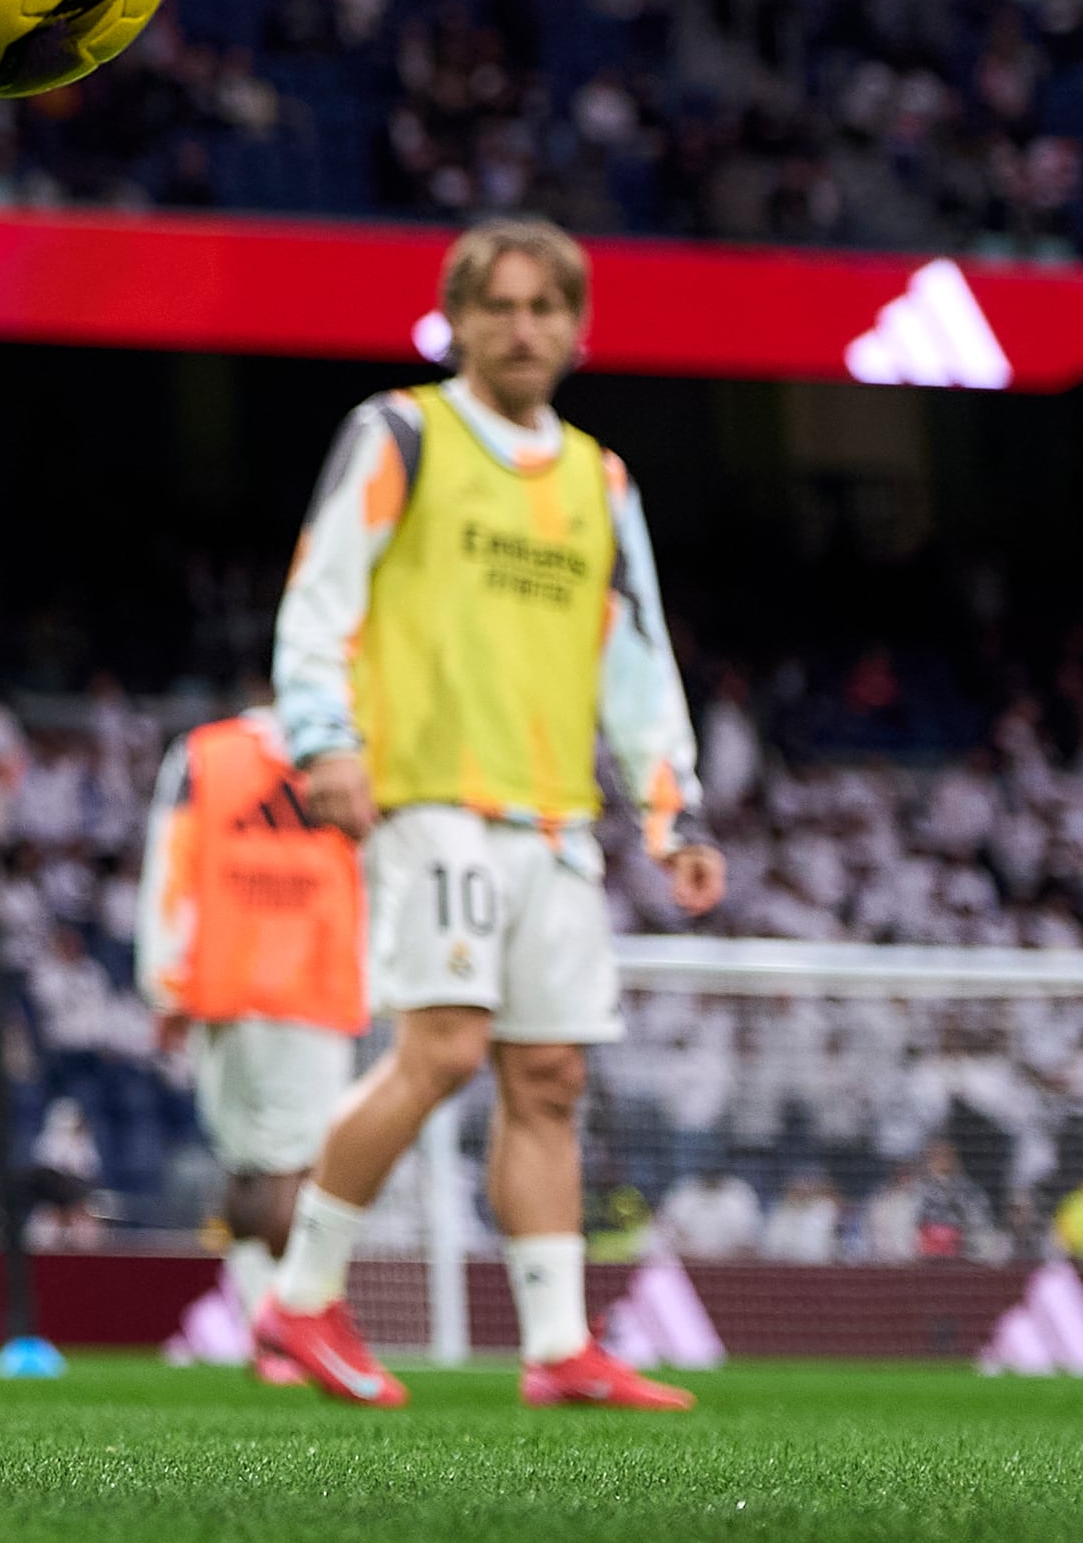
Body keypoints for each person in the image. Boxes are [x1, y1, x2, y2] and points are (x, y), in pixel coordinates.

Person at [249, 218, 725, 1412]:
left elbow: (639, 658)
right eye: (500, 307)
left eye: (546, 308)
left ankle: (559, 1346)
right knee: (446, 1047)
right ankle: (298, 1296)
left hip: (556, 819)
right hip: (432, 796)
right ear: (456, 318)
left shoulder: (599, 479)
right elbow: (319, 594)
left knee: (549, 1075)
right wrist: (324, 740)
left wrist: (673, 814)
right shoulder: (401, 431)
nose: (524, 329)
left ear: (577, 327)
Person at [134, 691, 366, 1369]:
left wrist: (164, 978)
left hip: (221, 984)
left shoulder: (205, 753)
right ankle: (290, 1327)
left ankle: (258, 1317)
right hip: (311, 987)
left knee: (244, 1161)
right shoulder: (350, 754)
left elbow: (168, 860)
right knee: (302, 1164)